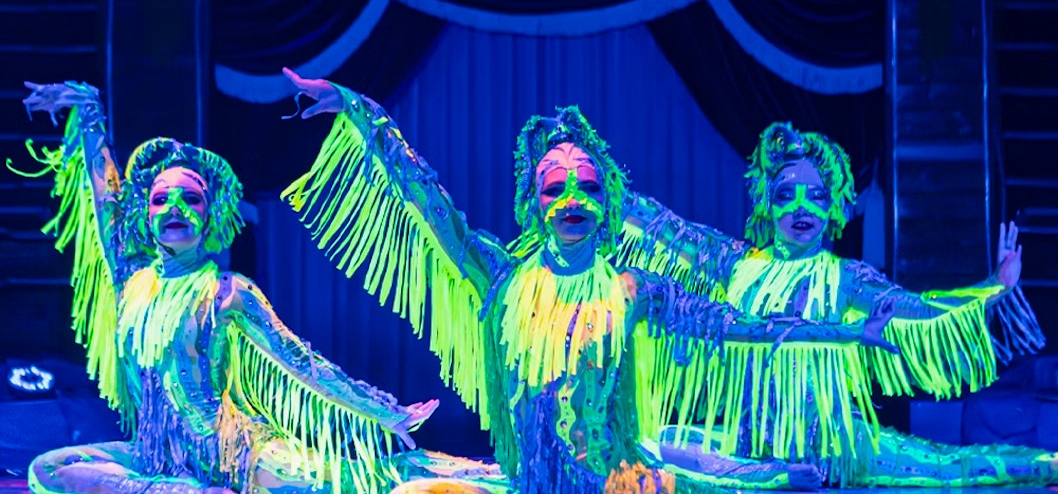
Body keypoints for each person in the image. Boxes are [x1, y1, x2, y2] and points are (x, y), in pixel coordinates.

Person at [277, 70, 873, 492]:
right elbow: (427, 198)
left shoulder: (632, 289)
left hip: (617, 483)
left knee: (754, 478)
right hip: (529, 483)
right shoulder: (503, 277)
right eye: (553, 187)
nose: (570, 198)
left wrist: (846, 335)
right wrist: (357, 110)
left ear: (606, 199)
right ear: (533, 204)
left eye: (586, 185)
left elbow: (738, 327)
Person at [13, 81, 455, 494]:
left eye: (191, 198)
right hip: (155, 459)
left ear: (209, 216)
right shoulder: (133, 279)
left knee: (355, 480)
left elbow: (303, 363)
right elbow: (106, 195)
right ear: (145, 215)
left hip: (234, 456)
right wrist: (89, 112)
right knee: (48, 470)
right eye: (161, 198)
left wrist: (383, 412)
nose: (175, 208)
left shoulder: (227, 292)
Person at [617, 121, 1055, 488]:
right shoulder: (737, 264)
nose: (802, 207)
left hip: (831, 447)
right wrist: (598, 192)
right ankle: (774, 474)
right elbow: (662, 227)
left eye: (816, 195)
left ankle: (1047, 465)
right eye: (787, 194)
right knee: (662, 443)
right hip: (747, 445)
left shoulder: (845, 278)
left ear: (834, 204)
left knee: (952, 469)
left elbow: (919, 308)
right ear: (767, 204)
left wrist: (992, 287)